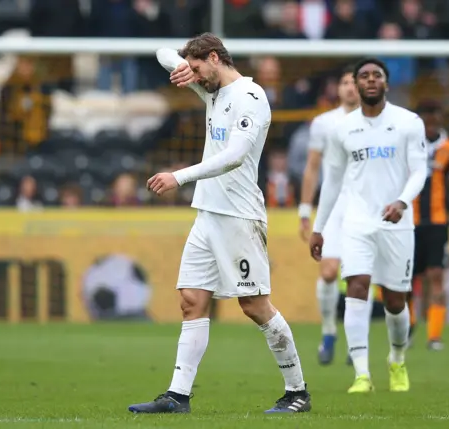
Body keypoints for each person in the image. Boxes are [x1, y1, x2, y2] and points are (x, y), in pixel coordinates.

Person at [128, 33, 311, 414]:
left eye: (197, 68)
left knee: (255, 305)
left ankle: (297, 392)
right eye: (191, 69)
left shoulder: (251, 97)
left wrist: (179, 176)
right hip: (207, 214)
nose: (195, 76)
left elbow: (234, 156)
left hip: (239, 216)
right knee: (191, 301)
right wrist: (181, 66)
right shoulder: (209, 89)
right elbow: (161, 52)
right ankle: (178, 396)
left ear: (215, 58)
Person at [309, 58, 428, 394]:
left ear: (386, 84)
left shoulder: (408, 122)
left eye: (377, 75)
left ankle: (397, 358)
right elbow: (331, 181)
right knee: (357, 288)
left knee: (394, 301)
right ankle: (362, 374)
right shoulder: (342, 129)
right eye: (364, 76)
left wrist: (402, 201)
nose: (371, 80)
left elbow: (420, 171)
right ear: (355, 86)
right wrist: (319, 227)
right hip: (357, 223)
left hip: (397, 224)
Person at [298, 65, 374, 366]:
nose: (349, 88)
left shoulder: (377, 123)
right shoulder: (323, 123)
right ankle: (329, 330)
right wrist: (305, 209)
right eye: (344, 82)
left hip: (365, 205)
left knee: (361, 275)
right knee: (328, 271)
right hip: (333, 204)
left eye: (353, 83)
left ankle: (358, 341)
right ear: (337, 89)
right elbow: (313, 167)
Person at [408, 100, 449, 351]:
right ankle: (407, 329)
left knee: (436, 275)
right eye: (426, 118)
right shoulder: (408, 144)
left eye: (434, 117)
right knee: (407, 279)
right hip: (409, 221)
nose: (430, 123)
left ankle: (434, 336)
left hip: (438, 221)